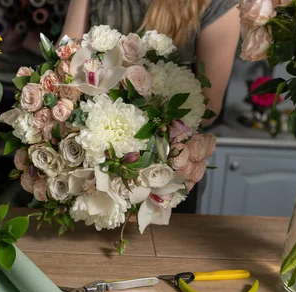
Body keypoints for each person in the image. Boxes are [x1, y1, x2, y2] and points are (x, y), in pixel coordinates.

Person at [60, 0, 240, 213]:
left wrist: (126, 127)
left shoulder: (218, 4)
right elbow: (64, 63)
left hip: (165, 174)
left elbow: (208, 107)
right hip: (91, 164)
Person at [61, 0, 240, 128]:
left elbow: (208, 107)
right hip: (90, 138)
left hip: (167, 163)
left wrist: (130, 133)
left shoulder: (217, 4)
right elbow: (64, 58)